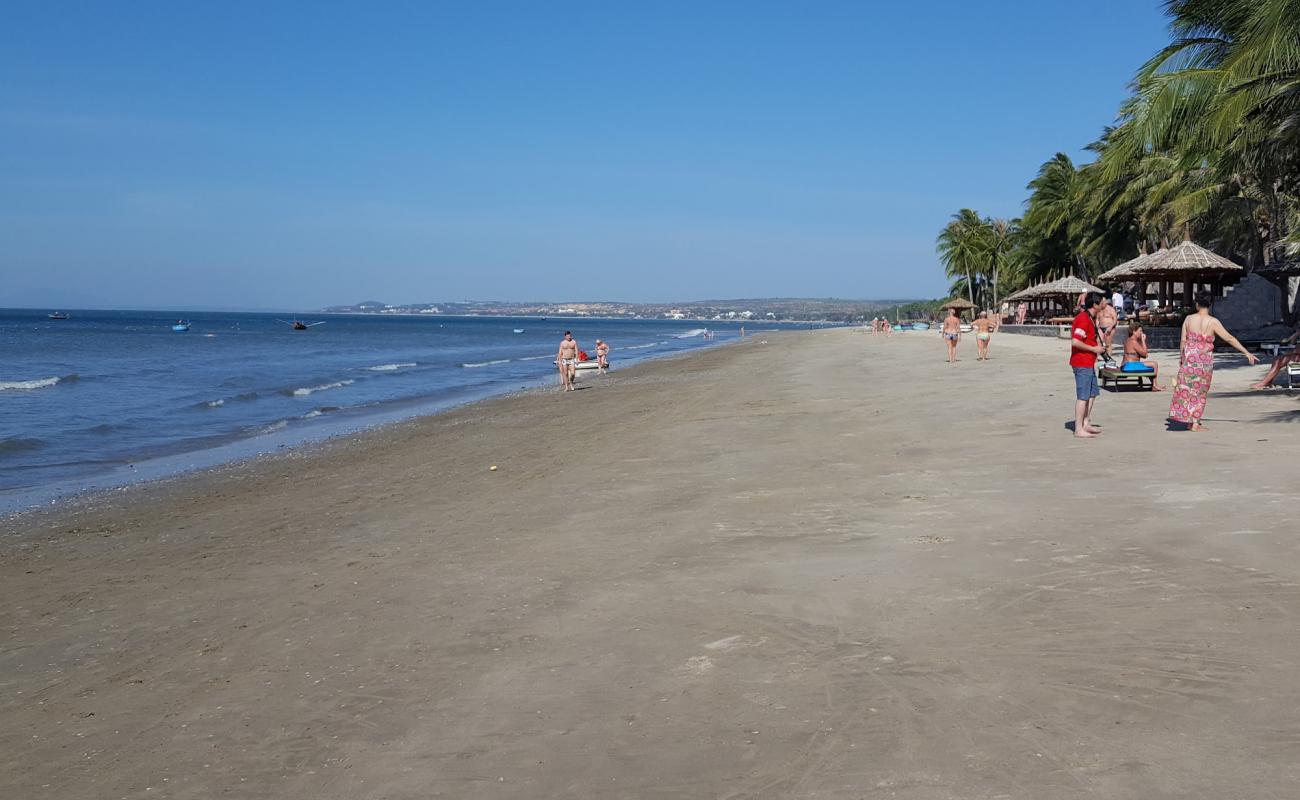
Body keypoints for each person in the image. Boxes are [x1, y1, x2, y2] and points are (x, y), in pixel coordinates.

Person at [1168, 292, 1258, 431]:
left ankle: (1186, 419)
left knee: (1186, 389)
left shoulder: (1188, 319)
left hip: (1189, 360)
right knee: (1200, 391)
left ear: (1197, 304)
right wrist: (1246, 352)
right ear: (1210, 305)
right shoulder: (1213, 322)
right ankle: (1195, 423)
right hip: (1204, 362)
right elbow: (1229, 338)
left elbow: (1183, 341)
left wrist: (1182, 358)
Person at [1070, 292, 1109, 439]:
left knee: (1092, 394)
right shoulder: (1083, 319)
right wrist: (1094, 349)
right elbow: (1075, 341)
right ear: (1095, 305)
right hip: (1081, 362)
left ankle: (1086, 422)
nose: (1105, 304)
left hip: (1089, 362)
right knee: (1083, 396)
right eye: (1103, 302)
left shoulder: (1091, 319)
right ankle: (1078, 428)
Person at [1121, 320, 1164, 390]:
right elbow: (1145, 354)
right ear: (1134, 332)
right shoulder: (1133, 341)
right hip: (1130, 365)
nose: (1142, 333)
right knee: (1154, 364)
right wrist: (1143, 340)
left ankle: (1154, 384)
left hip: (1125, 365)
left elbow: (1143, 354)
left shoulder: (1128, 340)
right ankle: (1155, 385)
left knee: (1150, 367)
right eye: (1140, 331)